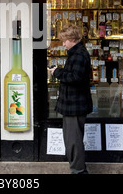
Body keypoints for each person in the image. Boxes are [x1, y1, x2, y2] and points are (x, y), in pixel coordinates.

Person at [48, 25, 92, 174]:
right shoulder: (77, 53)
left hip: (75, 105)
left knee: (73, 141)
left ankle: (78, 170)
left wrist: (57, 72)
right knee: (72, 139)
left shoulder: (78, 54)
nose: (63, 44)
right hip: (74, 104)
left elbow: (75, 78)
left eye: (64, 41)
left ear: (72, 39)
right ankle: (77, 169)